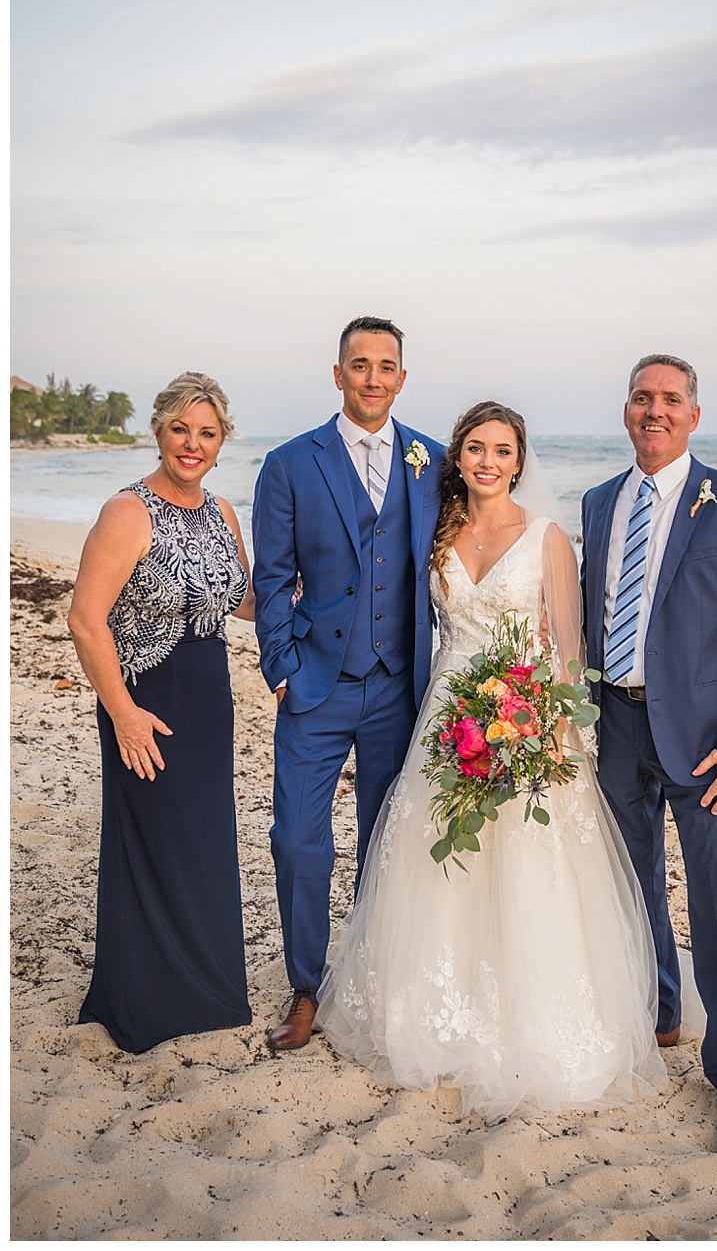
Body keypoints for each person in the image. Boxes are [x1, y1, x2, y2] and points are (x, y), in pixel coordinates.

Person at [316, 402, 665, 1118]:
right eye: (475, 448)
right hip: (446, 716)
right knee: (440, 867)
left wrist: (561, 738)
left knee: (528, 868)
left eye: (502, 450)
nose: (488, 461)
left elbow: (569, 652)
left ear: (519, 459)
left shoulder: (546, 539)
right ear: (458, 456)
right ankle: (433, 1010)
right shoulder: (437, 530)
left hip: (526, 717)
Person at [579, 354, 717, 1154]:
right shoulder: (601, 503)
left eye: (670, 399)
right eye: (642, 397)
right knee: (631, 889)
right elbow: (594, 622)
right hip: (618, 729)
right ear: (625, 411)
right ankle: (661, 1012)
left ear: (694, 415)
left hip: (708, 747)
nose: (654, 410)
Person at [251, 317, 444, 1051]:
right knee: (299, 841)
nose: (372, 377)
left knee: (384, 841)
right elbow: (272, 577)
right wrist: (282, 670)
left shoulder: (435, 460)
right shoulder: (291, 463)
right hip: (317, 684)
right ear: (338, 374)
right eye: (358, 364)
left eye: (385, 365)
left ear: (401, 377)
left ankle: (365, 978)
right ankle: (307, 985)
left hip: (401, 687)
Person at [67, 372, 255, 1052]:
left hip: (208, 697)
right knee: (151, 843)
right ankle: (143, 1000)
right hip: (145, 698)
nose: (192, 444)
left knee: (201, 841)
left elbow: (240, 598)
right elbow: (86, 620)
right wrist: (122, 713)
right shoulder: (127, 512)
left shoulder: (224, 512)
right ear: (158, 431)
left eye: (206, 433)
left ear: (221, 441)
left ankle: (205, 993)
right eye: (180, 429)